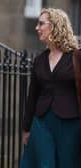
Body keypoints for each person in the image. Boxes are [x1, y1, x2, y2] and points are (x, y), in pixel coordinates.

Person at [20, 8, 81, 168]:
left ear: (55, 26)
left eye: (41, 24)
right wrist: (26, 128)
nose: (36, 28)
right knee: (44, 164)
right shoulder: (39, 60)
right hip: (42, 121)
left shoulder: (76, 57)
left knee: (67, 163)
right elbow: (32, 95)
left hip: (70, 123)